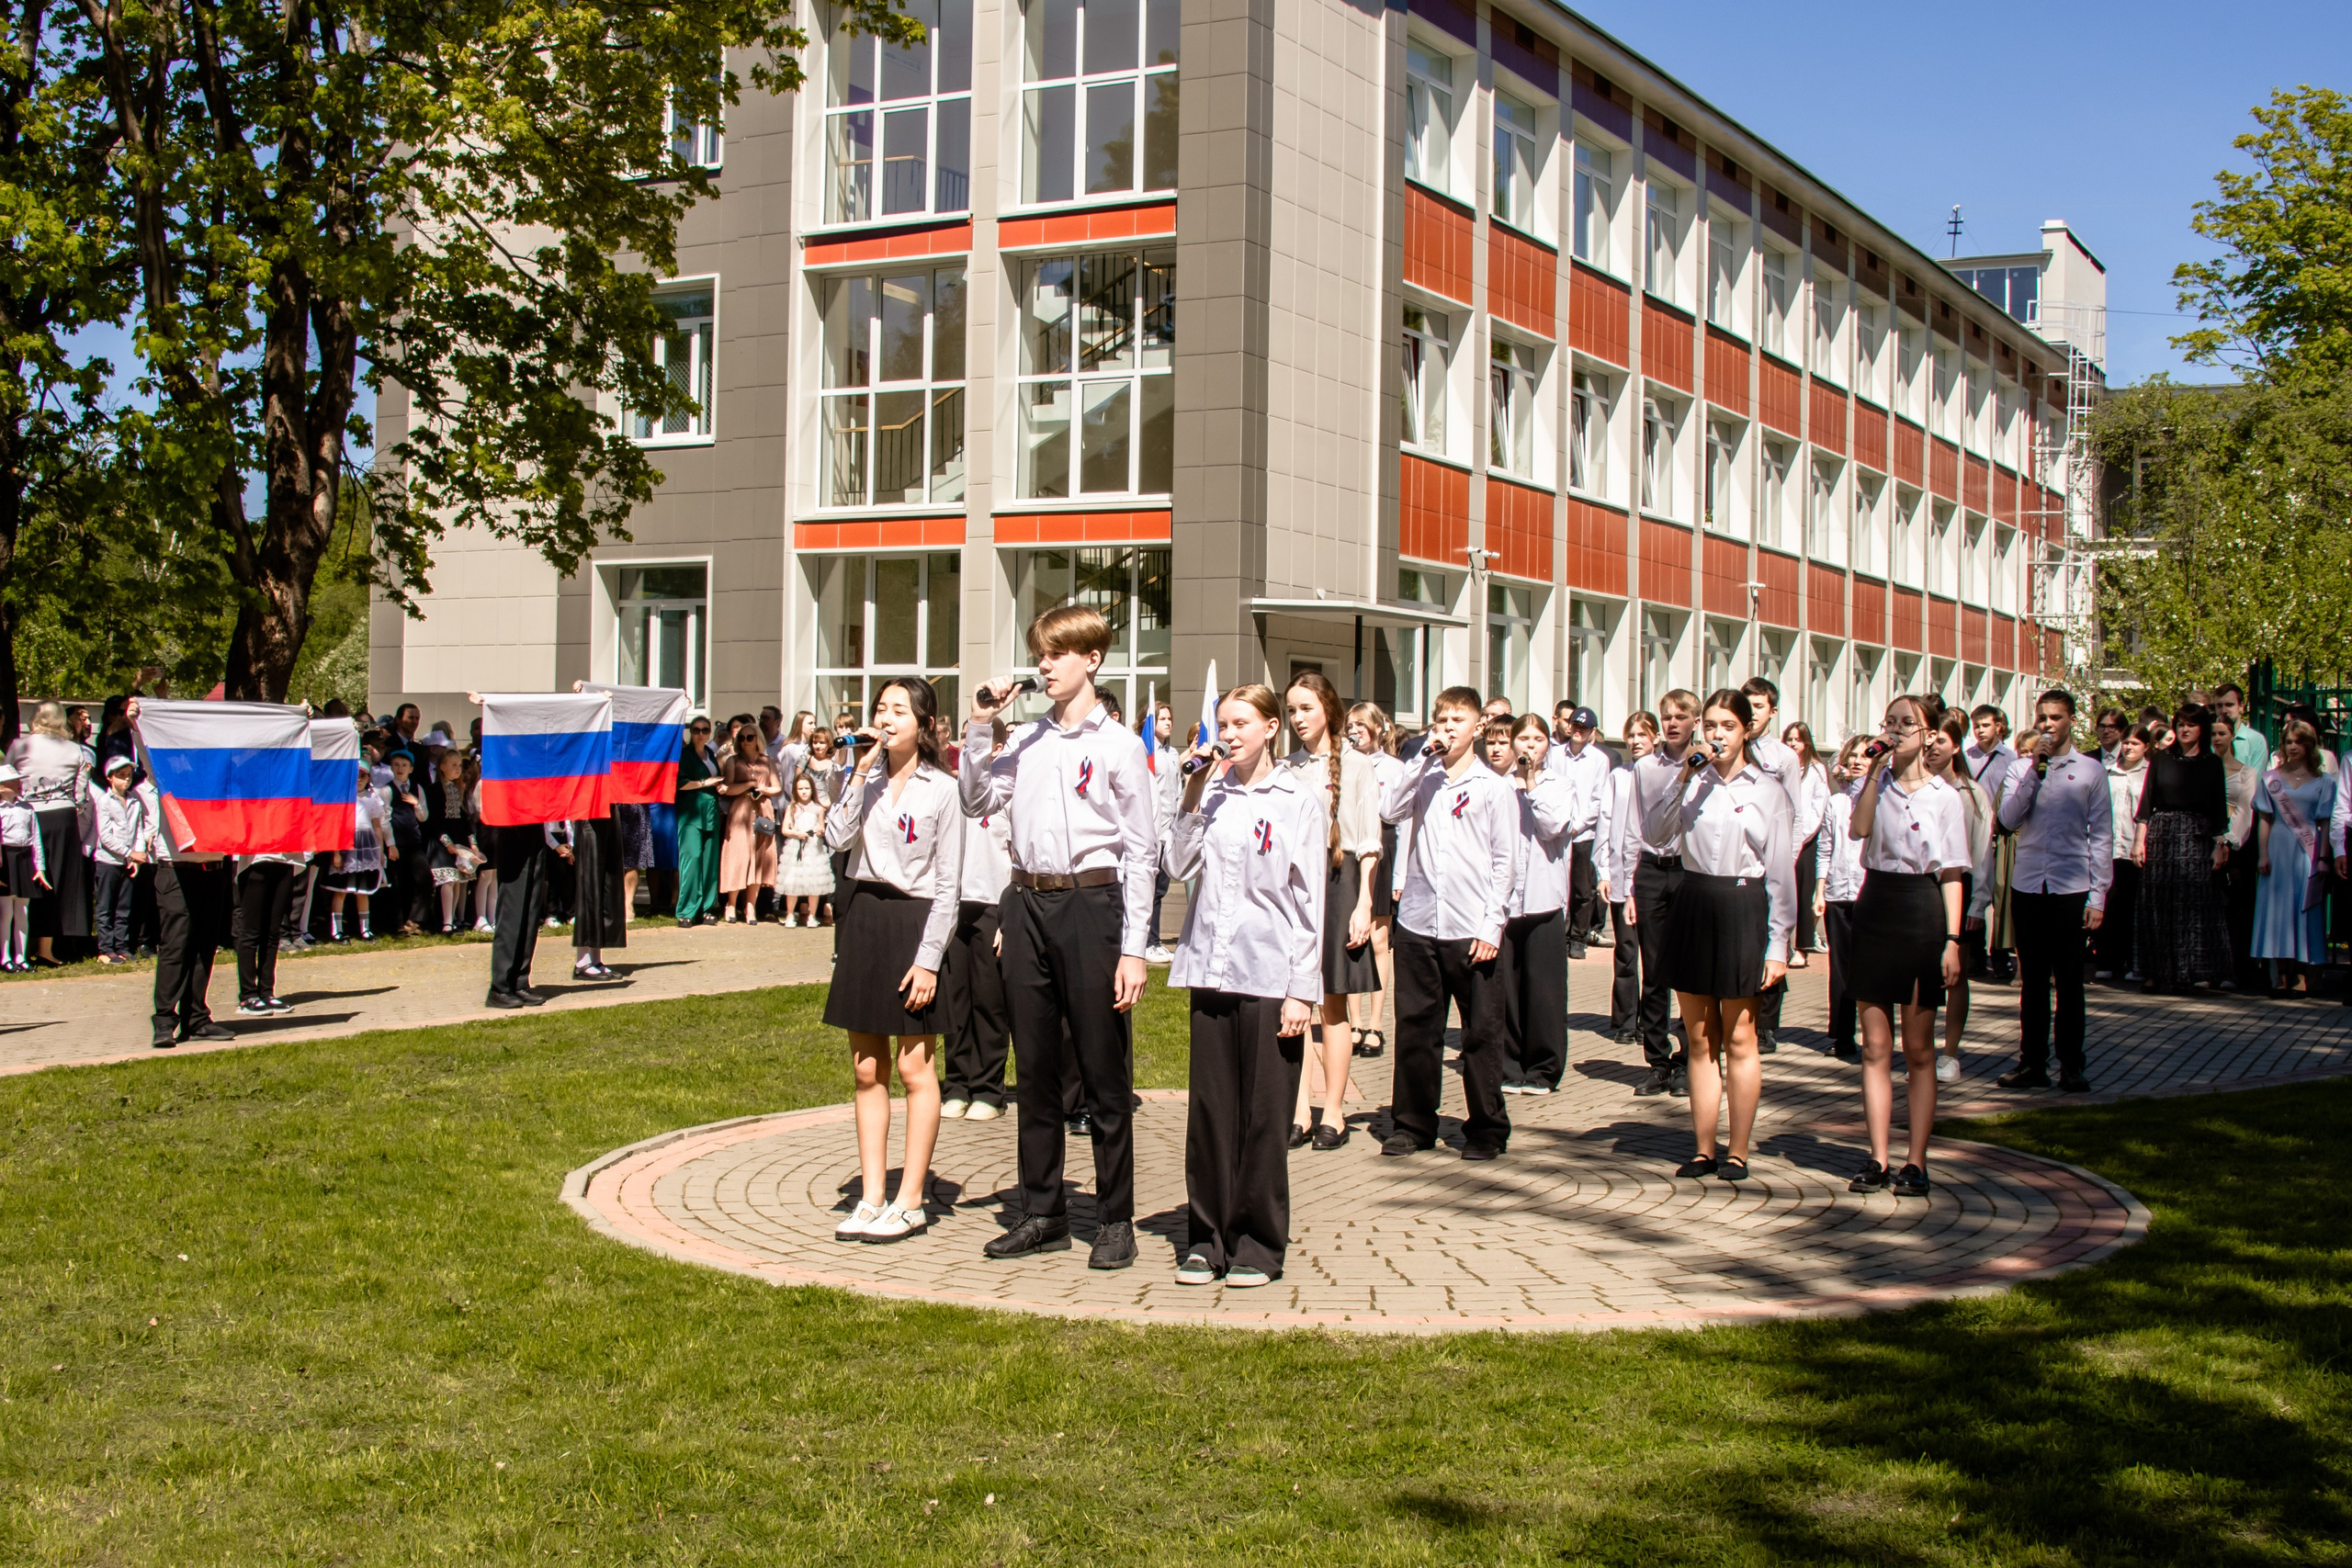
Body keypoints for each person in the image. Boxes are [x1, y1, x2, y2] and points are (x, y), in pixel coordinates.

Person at [962, 605, 1157, 1269]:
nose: (1043, 664)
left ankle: (1115, 1216)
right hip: (1027, 902)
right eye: (1039, 653)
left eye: (1056, 653)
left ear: (1091, 660)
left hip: (1092, 905)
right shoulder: (1024, 741)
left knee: (1103, 1069)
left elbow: (1141, 852)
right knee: (1036, 1067)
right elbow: (975, 801)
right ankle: (1041, 1209)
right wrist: (979, 728)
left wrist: (1134, 947)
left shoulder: (1120, 746)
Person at [1163, 684, 1324, 1287]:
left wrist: (1301, 990)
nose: (1227, 734)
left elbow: (1310, 901)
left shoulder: (1298, 802)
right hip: (1211, 968)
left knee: (1262, 1118)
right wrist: (1193, 790)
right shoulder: (1213, 794)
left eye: (1240, 723)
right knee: (1210, 1113)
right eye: (1221, 724)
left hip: (1270, 974)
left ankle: (1258, 1242)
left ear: (1271, 727)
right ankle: (1206, 1238)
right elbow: (1178, 866)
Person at [825, 677, 963, 1244]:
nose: (885, 718)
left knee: (913, 1067)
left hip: (915, 921)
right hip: (864, 916)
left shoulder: (944, 789)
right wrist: (858, 772)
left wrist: (929, 960)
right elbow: (836, 837)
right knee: (866, 1068)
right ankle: (872, 1196)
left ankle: (911, 1200)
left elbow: (949, 884)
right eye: (880, 708)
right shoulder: (865, 778)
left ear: (925, 723)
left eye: (898, 710)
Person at [1643, 688, 1794, 1183]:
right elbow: (1656, 833)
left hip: (1742, 906)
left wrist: (1779, 943)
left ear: (1746, 730)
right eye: (1710, 725)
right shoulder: (1691, 781)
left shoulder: (1768, 790)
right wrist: (1684, 776)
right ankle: (1704, 1148)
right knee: (1698, 1036)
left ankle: (1738, 1151)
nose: (1717, 735)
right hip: (1694, 901)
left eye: (1727, 726)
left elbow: (1780, 876)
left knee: (1740, 1035)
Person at [1376, 685, 1521, 1160]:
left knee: (1480, 1032)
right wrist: (1420, 762)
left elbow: (1505, 861)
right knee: (1417, 1028)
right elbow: (1390, 812)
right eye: (1440, 721)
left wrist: (1491, 925)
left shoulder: (1494, 787)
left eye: (1457, 720)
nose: (1448, 729)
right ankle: (1413, 1123)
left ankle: (1486, 1127)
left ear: (1477, 727)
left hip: (1471, 926)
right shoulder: (1425, 777)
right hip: (1420, 921)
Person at [1845, 694, 1969, 1197]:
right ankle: (1877, 1156)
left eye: (1906, 723)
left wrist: (1953, 940)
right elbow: (1859, 829)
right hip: (1877, 903)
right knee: (1875, 1046)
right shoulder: (1874, 783)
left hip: (1922, 909)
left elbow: (1953, 873)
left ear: (1929, 734)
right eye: (1889, 722)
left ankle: (1915, 1161)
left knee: (1918, 1048)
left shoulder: (1945, 796)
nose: (1895, 730)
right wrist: (1873, 772)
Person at [1993, 690, 2114, 1093]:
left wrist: (2097, 896)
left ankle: (2071, 1065)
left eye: (2056, 717)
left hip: (2070, 885)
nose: (2048, 724)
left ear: (2071, 721)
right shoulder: (2020, 769)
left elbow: (2102, 837)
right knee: (2033, 981)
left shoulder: (2092, 771)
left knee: (2068, 980)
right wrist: (2034, 772)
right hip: (2028, 883)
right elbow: (2008, 819)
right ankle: (2032, 1063)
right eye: (2042, 717)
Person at [1281, 671, 1382, 1148]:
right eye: (1292, 710)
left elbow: (1369, 844)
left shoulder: (1359, 765)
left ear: (1328, 709)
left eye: (1307, 708)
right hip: (1297, 888)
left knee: (1333, 1004)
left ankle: (1335, 1112)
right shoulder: (1286, 768)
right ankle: (1299, 1109)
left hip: (1341, 885)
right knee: (1296, 999)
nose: (1298, 718)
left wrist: (1364, 904)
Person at [122, 698, 235, 1047]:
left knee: (205, 944)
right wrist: (138, 725)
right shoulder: (171, 771)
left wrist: (300, 721)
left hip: (215, 868)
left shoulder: (228, 777)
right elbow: (148, 754)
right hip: (176, 869)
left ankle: (197, 1018)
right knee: (176, 943)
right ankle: (164, 1019)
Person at [1625, 689, 1702, 1096]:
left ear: (1695, 721)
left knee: (1688, 969)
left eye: (1681, 716)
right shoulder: (1645, 768)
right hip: (1654, 869)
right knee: (1653, 971)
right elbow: (1635, 825)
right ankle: (1657, 1060)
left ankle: (1692, 1058)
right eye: (1666, 716)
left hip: (1690, 871)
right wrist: (1628, 886)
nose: (1672, 723)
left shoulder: (1706, 765)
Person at [1499, 713, 1575, 1098]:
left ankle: (1544, 1069)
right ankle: (1509, 1064)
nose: (1529, 745)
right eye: (1523, 739)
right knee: (1507, 989)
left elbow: (1552, 827)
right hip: (1506, 902)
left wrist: (1530, 786)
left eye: (1538, 739)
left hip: (1544, 899)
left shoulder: (1559, 786)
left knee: (1543, 989)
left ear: (1548, 745)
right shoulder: (1498, 787)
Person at [940, 726, 1012, 1122]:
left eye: (978, 740)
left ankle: (988, 1089)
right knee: (955, 1002)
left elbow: (1020, 859)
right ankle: (956, 1085)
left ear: (997, 748)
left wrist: (1010, 917)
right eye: (965, 739)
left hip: (993, 907)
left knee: (989, 1003)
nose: (968, 746)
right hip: (954, 906)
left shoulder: (1007, 796)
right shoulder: (951, 792)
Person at [2133, 704, 2232, 993]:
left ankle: (2192, 972)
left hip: (2197, 838)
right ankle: (2154, 971)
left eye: (2191, 724)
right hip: (2161, 836)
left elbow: (2218, 809)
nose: (2185, 729)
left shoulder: (2212, 763)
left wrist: (2218, 844)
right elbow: (2146, 803)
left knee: (2193, 906)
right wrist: (2139, 841)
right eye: (2181, 724)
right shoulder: (2161, 759)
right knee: (2157, 904)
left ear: (2202, 728)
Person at [1925, 710, 1996, 1086]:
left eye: (1941, 741)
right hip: (1922, 887)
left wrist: (1978, 902)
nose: (1933, 747)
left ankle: (1949, 1052)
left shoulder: (1971, 793)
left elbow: (1983, 851)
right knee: (1920, 970)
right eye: (1929, 739)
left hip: (1961, 886)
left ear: (1955, 746)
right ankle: (1917, 1046)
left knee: (1955, 974)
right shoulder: (1913, 786)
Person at [1738, 678, 1804, 1055]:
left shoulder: (1783, 757)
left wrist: (1786, 861)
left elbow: (1794, 813)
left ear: (1772, 711)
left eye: (1759, 707)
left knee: (1774, 938)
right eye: (1748, 705)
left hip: (1773, 858)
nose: (1754, 713)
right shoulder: (1732, 748)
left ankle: (1767, 1023)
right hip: (1742, 859)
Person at [6, 702, 91, 966]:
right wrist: (75, 805)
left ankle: (23, 946)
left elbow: (6, 778)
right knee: (59, 880)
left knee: (25, 877)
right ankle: (48, 947)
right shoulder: (74, 749)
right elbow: (81, 790)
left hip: (26, 813)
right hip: (63, 816)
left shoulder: (19, 746)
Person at [2252, 719, 2332, 997]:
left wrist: (2322, 858)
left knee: (2303, 909)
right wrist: (2263, 854)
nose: (2293, 746)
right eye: (2288, 742)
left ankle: (2301, 974)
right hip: (2278, 847)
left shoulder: (2324, 781)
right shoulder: (2270, 779)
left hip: (2307, 853)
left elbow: (2324, 823)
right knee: (2277, 910)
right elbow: (2264, 818)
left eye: (2299, 741)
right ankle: (2279, 973)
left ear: (2310, 745)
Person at [1596, 712, 1658, 1043]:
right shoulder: (1618, 776)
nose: (1635, 741)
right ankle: (1624, 1020)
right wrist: (1603, 871)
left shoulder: (1665, 774)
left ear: (1656, 739)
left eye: (1642, 735)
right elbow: (1605, 823)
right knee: (1626, 951)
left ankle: (1651, 1020)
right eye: (1630, 735)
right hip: (1622, 877)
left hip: (1652, 878)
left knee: (1654, 957)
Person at [1346, 702, 1402, 1059]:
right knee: (1351, 940)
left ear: (1378, 728)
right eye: (1350, 725)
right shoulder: (1343, 763)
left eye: (1362, 725)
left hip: (1382, 846)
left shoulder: (1394, 767)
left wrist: (1402, 875)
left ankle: (1375, 1025)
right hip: (1350, 850)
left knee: (1379, 940)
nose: (1355, 731)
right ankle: (1352, 1023)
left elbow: (1400, 817)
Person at [1814, 737, 1870, 1061]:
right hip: (1838, 893)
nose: (1858, 761)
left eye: (1865, 755)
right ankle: (1842, 1033)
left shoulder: (1880, 798)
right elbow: (1824, 847)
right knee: (1840, 967)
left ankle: (1874, 1032)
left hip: (1867, 891)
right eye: (1853, 756)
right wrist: (1820, 889)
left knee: (1868, 967)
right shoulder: (1836, 802)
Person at [1546, 703, 1611, 954]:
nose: (1577, 731)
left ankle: (1578, 938)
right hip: (1558, 832)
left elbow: (1598, 799)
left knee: (1582, 888)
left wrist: (1579, 825)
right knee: (1559, 885)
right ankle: (1560, 935)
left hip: (1583, 833)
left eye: (1583, 728)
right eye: (1574, 725)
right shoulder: (1555, 754)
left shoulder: (1599, 760)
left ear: (1591, 732)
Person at [1964, 705, 2022, 982]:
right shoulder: (1967, 757)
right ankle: (1974, 957)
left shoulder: (2010, 759)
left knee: (2000, 894)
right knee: (1975, 890)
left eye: (1985, 725)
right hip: (1972, 831)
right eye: (1976, 726)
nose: (1979, 731)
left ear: (1999, 726)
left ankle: (1999, 955)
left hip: (2000, 833)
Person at [2097, 724, 2153, 983]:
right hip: (2109, 847)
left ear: (2147, 747)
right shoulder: (2109, 772)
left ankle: (2135, 961)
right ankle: (2107, 960)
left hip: (2134, 849)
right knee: (2109, 905)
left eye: (2135, 743)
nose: (2129, 747)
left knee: (2133, 907)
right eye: (2127, 742)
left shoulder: (2150, 774)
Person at [2211, 714, 2262, 993]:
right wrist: (2215, 841)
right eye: (2212, 734)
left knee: (2235, 912)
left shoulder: (2246, 772)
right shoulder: (2203, 769)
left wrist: (2228, 841)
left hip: (2236, 849)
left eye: (2221, 733)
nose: (2216, 739)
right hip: (2206, 845)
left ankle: (2234, 968)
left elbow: (2246, 811)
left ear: (2232, 736)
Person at [716, 727, 783, 923]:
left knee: (759, 856)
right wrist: (749, 785)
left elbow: (777, 787)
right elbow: (728, 788)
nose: (746, 741)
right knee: (738, 856)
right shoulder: (733, 761)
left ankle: (750, 906)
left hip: (762, 809)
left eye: (750, 737)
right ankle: (731, 903)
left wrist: (764, 789)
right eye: (742, 737)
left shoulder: (767, 761)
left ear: (757, 739)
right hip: (741, 810)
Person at [232, 845, 304, 1015]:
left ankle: (266, 992)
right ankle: (248, 995)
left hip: (285, 860)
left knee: (272, 933)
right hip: (255, 861)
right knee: (250, 932)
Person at [1781, 722, 1829, 966]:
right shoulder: (1783, 765)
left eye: (1797, 739)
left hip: (1806, 841)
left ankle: (1801, 947)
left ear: (1806, 743)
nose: (1792, 744)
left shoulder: (1817, 770)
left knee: (1802, 893)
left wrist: (1801, 834)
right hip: (1783, 837)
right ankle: (1783, 945)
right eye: (1789, 739)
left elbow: (1817, 808)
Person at [92, 752, 147, 963]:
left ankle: (122, 945)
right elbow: (105, 835)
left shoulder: (134, 802)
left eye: (128, 775)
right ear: (109, 777)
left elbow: (139, 831)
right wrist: (128, 853)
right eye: (121, 775)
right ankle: (106, 948)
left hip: (128, 862)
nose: (126, 779)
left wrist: (136, 858)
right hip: (108, 861)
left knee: (124, 906)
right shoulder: (105, 801)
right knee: (105, 905)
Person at [325, 761, 389, 941]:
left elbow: (378, 826)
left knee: (363, 891)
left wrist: (379, 851)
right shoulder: (343, 797)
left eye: (363, 776)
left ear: (368, 778)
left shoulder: (372, 798)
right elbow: (337, 825)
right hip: (347, 844)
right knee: (341, 890)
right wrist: (336, 852)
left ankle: (365, 930)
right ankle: (336, 930)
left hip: (366, 845)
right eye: (356, 775)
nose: (359, 779)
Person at [561, 812, 628, 980]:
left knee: (607, 886)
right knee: (589, 889)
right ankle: (582, 962)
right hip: (587, 815)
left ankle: (596, 959)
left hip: (608, 812)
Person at [422, 748, 480, 933]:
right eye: (453, 765)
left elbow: (463, 820)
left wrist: (473, 842)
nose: (457, 768)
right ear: (442, 767)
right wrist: (446, 842)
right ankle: (446, 922)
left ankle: (452, 919)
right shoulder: (434, 790)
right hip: (441, 842)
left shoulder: (457, 789)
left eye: (459, 765)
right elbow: (435, 819)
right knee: (447, 879)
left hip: (458, 840)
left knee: (456, 881)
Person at [673, 717, 722, 926]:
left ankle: (707, 908)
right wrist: (705, 782)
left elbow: (715, 779)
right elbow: (679, 783)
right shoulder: (684, 755)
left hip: (711, 811)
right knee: (691, 859)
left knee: (709, 862)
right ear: (690, 732)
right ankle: (686, 910)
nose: (700, 734)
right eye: (696, 730)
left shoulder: (711, 754)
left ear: (710, 732)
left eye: (704, 730)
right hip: (691, 813)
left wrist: (719, 787)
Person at [0, 762, 49, 970]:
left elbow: (35, 837)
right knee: (6, 912)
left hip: (24, 858)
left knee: (23, 910)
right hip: (5, 858)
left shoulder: (26, 807)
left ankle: (21, 957)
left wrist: (39, 867)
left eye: (19, 780)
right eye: (12, 781)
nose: (18, 784)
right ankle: (5, 957)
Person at [775, 773, 832, 925]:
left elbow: (821, 827)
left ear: (812, 789)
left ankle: (812, 916)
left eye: (807, 788)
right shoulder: (792, 807)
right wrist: (796, 833)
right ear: (795, 790)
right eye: (800, 789)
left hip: (813, 849)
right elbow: (785, 829)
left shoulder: (818, 808)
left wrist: (820, 831)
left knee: (813, 882)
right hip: (796, 848)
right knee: (792, 882)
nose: (804, 791)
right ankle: (789, 915)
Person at [381, 750, 428, 934]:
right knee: (397, 883)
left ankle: (415, 919)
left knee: (424, 878)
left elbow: (423, 817)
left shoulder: (417, 788)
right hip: (396, 843)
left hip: (413, 842)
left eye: (404, 765)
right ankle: (398, 924)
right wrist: (390, 844)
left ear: (411, 769)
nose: (400, 769)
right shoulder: (386, 790)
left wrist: (416, 803)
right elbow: (384, 818)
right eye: (396, 765)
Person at [2215, 682, 2268, 773]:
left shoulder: (2256, 740)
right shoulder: (2205, 738)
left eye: (2229, 705)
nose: (2223, 711)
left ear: (2241, 706)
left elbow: (2256, 780)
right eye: (2219, 705)